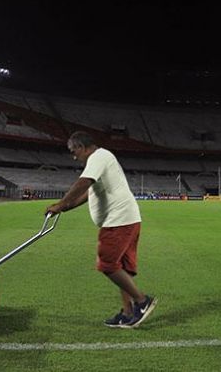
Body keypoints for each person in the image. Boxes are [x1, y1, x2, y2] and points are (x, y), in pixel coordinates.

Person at [46, 131, 157, 329]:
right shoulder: (101, 159)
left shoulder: (98, 157)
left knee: (107, 262)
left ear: (82, 147)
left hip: (119, 221)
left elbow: (84, 183)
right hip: (127, 219)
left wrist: (61, 203)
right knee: (121, 267)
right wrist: (64, 208)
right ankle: (128, 312)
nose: (74, 156)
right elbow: (88, 194)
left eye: (74, 151)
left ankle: (141, 301)